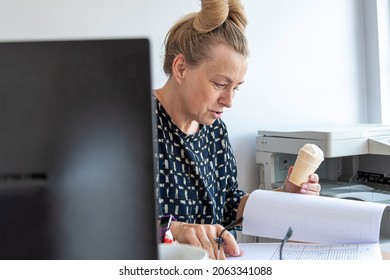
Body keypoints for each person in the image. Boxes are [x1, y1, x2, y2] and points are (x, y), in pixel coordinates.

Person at [154, 0, 321, 260]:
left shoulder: (215, 129)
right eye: (220, 84)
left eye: (236, 88)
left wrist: (284, 197)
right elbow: (106, 218)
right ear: (181, 68)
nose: (229, 101)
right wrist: (174, 230)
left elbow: (232, 205)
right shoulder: (131, 123)